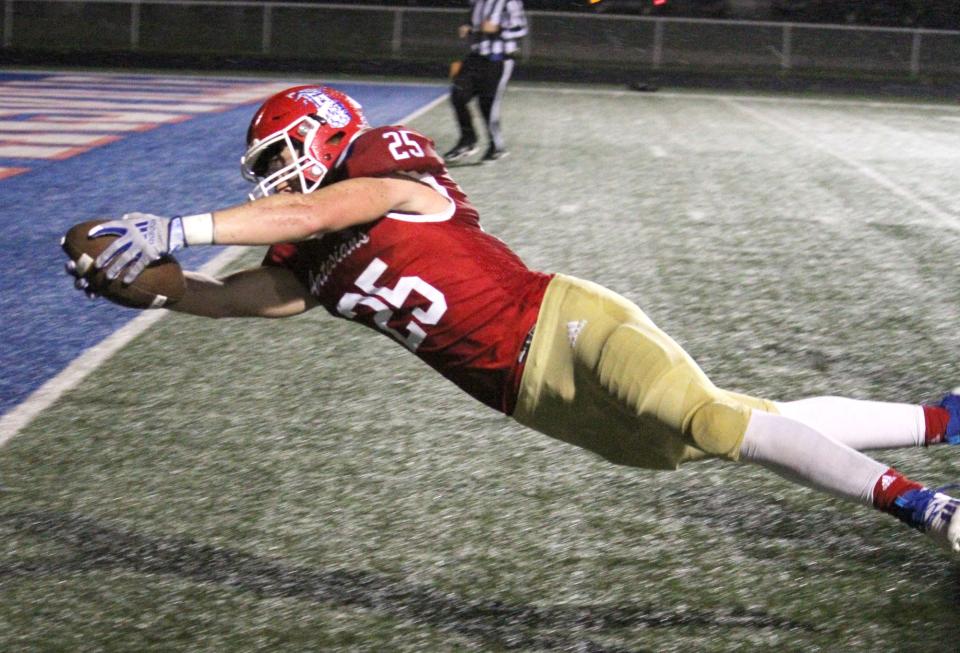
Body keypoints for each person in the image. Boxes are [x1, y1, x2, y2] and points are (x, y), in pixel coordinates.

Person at [67, 85, 960, 555]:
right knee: (731, 426)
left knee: (715, 420)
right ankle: (942, 421)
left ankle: (928, 508)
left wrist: (177, 224)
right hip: (527, 397)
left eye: (279, 158)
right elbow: (232, 293)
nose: (270, 180)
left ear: (325, 136)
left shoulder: (381, 164)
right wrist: (142, 280)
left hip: (565, 320)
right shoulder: (304, 256)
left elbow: (319, 212)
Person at [443, 0, 527, 163]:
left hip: (498, 59)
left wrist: (498, 29)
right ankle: (468, 141)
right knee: (458, 96)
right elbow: (473, 21)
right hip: (475, 57)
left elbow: (521, 28)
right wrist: (467, 26)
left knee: (487, 104)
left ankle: (496, 146)